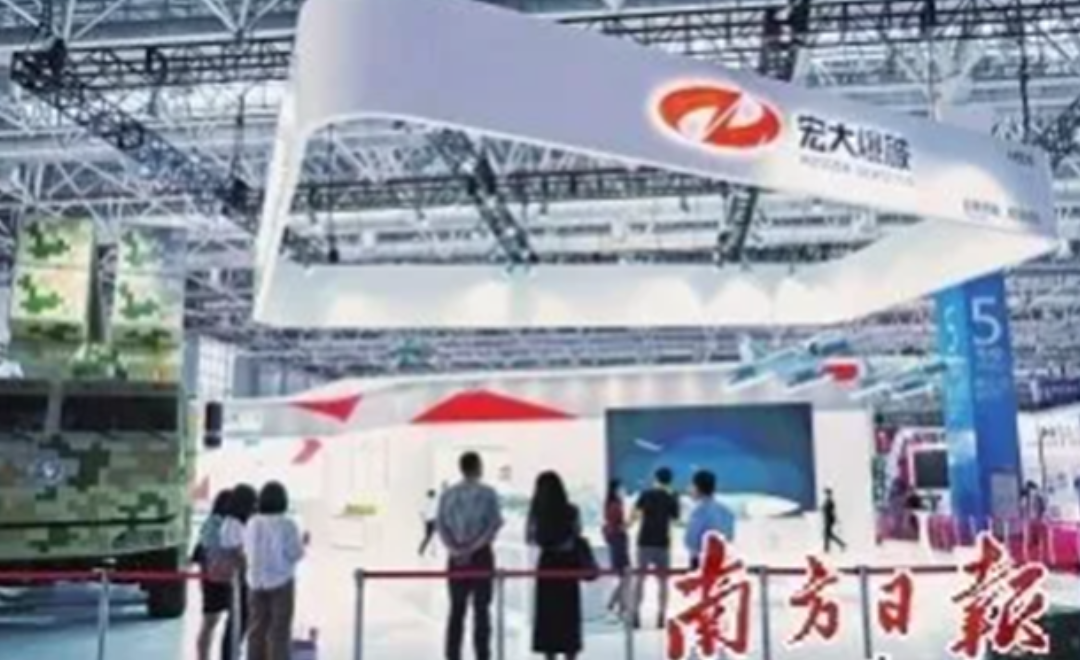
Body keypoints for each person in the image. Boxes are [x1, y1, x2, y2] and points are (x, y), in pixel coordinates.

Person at [437, 452, 503, 660]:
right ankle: (482, 656)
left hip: (456, 559)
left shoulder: (448, 495)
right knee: (481, 610)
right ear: (478, 467)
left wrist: (456, 550)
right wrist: (473, 548)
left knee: (456, 610)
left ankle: (452, 655)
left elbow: (440, 526)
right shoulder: (488, 493)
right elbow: (493, 526)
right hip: (481, 557)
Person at [245, 481, 305, 660]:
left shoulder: (252, 522)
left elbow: (247, 549)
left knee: (256, 630)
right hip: (281, 583)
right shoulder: (287, 524)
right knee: (279, 632)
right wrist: (303, 543)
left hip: (255, 583)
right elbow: (295, 554)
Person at [528, 472, 584, 660]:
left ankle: (549, 655)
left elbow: (529, 538)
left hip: (547, 564)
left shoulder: (536, 512)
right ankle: (570, 654)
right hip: (568, 564)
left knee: (548, 615)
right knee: (568, 613)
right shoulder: (572, 510)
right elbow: (577, 533)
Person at [632, 467, 680, 629]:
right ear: (670, 480)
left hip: (644, 541)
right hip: (662, 543)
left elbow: (635, 515)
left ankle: (635, 614)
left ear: (655, 478)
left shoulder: (645, 494)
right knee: (663, 583)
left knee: (640, 579)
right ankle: (661, 616)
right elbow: (675, 520)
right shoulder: (672, 497)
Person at [220, 483, 258, 660]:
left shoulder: (238, 523)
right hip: (238, 580)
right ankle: (230, 655)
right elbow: (237, 553)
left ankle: (233, 653)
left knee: (241, 621)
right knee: (237, 621)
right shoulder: (232, 524)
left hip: (242, 578)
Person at [194, 489, 233, 660]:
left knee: (211, 622)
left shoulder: (213, 523)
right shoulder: (217, 524)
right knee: (211, 622)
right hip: (217, 579)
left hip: (215, 578)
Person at [684, 470, 735, 569]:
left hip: (702, 562)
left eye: (691, 486)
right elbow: (730, 537)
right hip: (723, 561)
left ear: (697, 488)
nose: (689, 489)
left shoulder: (698, 511)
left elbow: (691, 541)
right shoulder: (726, 511)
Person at [602, 479, 630, 619]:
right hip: (619, 542)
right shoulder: (615, 505)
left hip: (617, 542)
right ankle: (612, 604)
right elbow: (617, 525)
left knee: (624, 577)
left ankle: (622, 608)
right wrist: (626, 525)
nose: (623, 491)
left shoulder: (611, 504)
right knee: (625, 576)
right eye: (621, 488)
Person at [822, 488, 847, 554]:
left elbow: (833, 512)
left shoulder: (830, 502)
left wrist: (835, 520)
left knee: (826, 534)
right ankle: (842, 544)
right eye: (826, 493)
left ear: (829, 494)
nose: (826, 494)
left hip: (829, 520)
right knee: (828, 534)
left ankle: (826, 549)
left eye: (827, 493)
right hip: (827, 519)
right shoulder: (827, 501)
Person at [418, 489, 439, 557]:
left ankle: (431, 551)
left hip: (431, 521)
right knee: (431, 536)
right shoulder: (432, 502)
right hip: (432, 521)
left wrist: (424, 520)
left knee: (430, 536)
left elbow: (421, 513)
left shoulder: (427, 502)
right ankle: (423, 550)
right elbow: (421, 512)